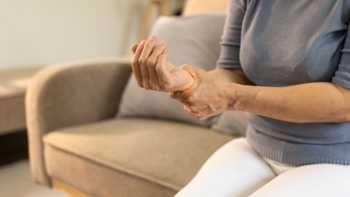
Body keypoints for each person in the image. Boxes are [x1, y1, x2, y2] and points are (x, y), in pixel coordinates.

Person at [131, 0, 350, 196]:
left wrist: (232, 98)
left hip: (338, 161)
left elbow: (345, 101)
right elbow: (233, 72)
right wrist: (185, 81)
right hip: (258, 146)